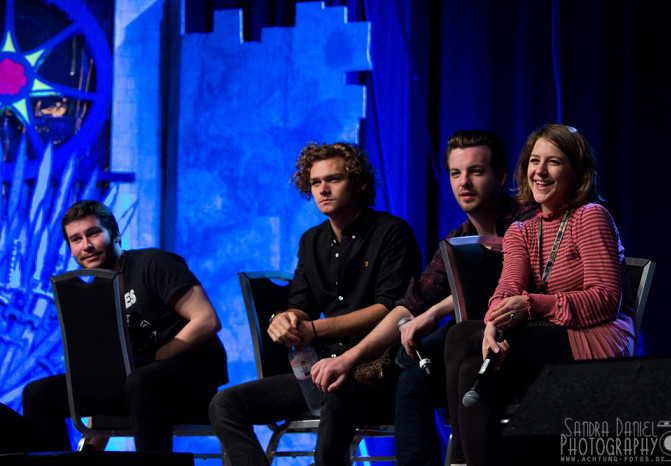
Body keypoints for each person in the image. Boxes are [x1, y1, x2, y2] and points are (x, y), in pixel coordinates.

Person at [310, 130, 535, 465]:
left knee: (434, 342)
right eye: (456, 174)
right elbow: (410, 303)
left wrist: (434, 313)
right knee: (412, 378)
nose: (464, 184)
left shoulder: (529, 220)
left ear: (500, 176)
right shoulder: (457, 239)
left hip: (523, 340)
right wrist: (350, 358)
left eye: (476, 172)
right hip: (469, 350)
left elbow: (516, 285)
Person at [208, 142, 422, 466]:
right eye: (316, 182)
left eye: (333, 179)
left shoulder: (391, 233)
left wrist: (313, 329)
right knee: (225, 404)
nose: (323, 189)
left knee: (338, 390)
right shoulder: (312, 240)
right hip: (322, 369)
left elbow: (390, 309)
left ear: (358, 182)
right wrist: (285, 319)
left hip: (382, 368)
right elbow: (300, 302)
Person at [444, 124, 636, 466]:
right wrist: (492, 323)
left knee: (460, 336)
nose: (540, 172)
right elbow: (506, 289)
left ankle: (457, 455)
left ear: (575, 173)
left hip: (593, 339)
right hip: (543, 339)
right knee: (472, 363)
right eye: (535, 161)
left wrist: (531, 304)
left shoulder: (591, 217)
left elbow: (606, 301)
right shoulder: (522, 230)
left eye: (554, 162)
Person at [22, 200, 228, 452]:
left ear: (115, 234)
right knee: (38, 394)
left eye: (94, 233)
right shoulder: (94, 293)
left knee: (141, 381)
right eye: (76, 239)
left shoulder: (153, 263)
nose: (86, 245)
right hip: (139, 384)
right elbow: (105, 376)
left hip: (192, 378)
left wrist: (158, 357)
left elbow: (206, 320)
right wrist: (94, 445)